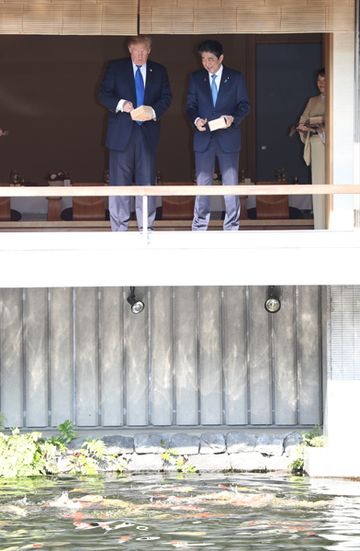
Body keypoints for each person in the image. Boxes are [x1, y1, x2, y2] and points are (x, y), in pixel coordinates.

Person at [98, 35, 172, 231]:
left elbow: (166, 98)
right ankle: (119, 228)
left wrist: (153, 111)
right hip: (121, 133)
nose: (140, 55)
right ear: (129, 51)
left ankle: (145, 227)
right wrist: (122, 104)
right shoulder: (115, 67)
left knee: (147, 182)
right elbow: (103, 94)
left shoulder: (159, 70)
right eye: (136, 51)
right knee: (119, 184)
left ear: (149, 51)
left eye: (144, 51)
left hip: (147, 133)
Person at [186, 39, 250, 231]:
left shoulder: (236, 77)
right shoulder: (196, 78)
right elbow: (190, 106)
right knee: (202, 185)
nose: (207, 63)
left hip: (228, 137)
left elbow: (245, 105)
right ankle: (199, 227)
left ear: (221, 58)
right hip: (204, 137)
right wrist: (196, 120)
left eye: (211, 59)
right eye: (204, 59)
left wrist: (233, 118)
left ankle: (231, 227)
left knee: (230, 185)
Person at [297, 68, 326, 229]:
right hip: (316, 144)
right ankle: (319, 224)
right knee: (318, 182)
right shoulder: (312, 101)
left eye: (325, 80)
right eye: (319, 81)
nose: (321, 84)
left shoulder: (337, 99)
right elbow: (303, 119)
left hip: (331, 145)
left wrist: (320, 127)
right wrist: (302, 127)